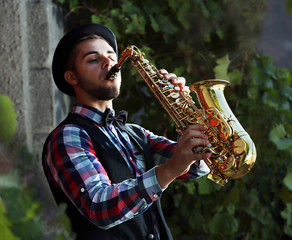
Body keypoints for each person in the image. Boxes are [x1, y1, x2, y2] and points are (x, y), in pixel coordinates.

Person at [42, 23, 211, 240]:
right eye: (93, 59)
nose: (108, 62)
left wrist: (186, 113)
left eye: (112, 55)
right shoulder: (67, 136)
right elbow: (99, 206)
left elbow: (196, 168)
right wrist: (169, 170)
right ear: (72, 77)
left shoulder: (134, 133)